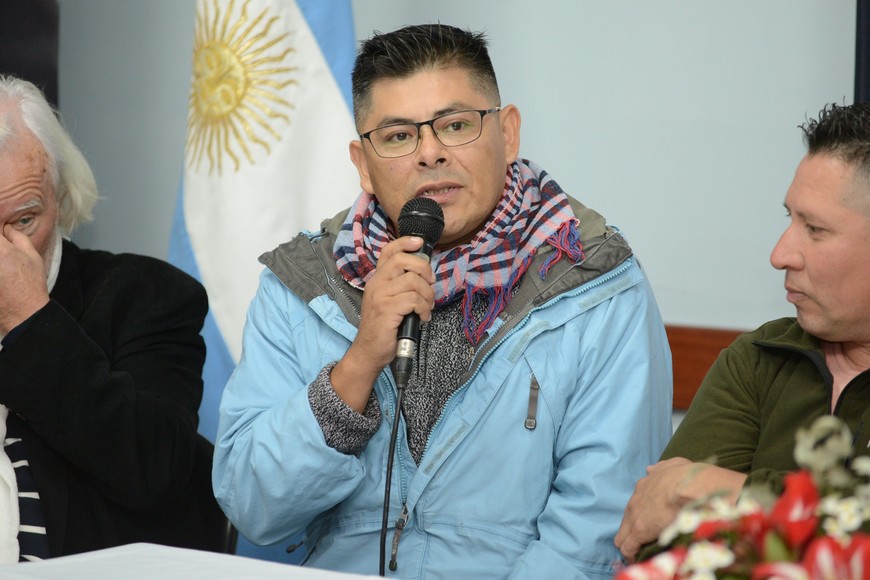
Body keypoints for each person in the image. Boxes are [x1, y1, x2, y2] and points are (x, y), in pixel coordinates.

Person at [213, 24, 672, 579]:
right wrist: (358, 364)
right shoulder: (304, 283)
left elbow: (596, 534)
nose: (430, 154)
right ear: (363, 163)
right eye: (398, 136)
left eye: (456, 126)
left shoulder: (595, 284)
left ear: (508, 132)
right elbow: (252, 508)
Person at [615, 102, 870, 562]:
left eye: (815, 229)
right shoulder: (758, 359)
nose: (780, 254)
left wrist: (712, 487)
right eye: (790, 219)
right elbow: (659, 540)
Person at [0, 75, 225, 561]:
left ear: (60, 199)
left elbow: (154, 470)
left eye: (23, 220)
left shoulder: (146, 296)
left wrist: (30, 321)